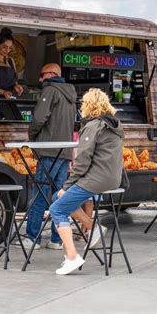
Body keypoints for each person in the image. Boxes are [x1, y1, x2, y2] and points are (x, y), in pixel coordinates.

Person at [49, 88, 124, 275]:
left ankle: (72, 257)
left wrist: (66, 186)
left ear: (88, 105)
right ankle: (93, 228)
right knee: (56, 199)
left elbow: (81, 162)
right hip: (113, 178)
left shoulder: (92, 126)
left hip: (96, 179)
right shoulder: (114, 125)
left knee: (57, 209)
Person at [23, 63, 77, 250]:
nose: (39, 79)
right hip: (64, 152)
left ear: (52, 74)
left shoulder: (50, 90)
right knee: (60, 197)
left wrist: (32, 137)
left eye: (42, 75)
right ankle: (57, 239)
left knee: (39, 194)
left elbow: (38, 119)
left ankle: (32, 238)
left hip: (48, 151)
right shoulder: (70, 94)